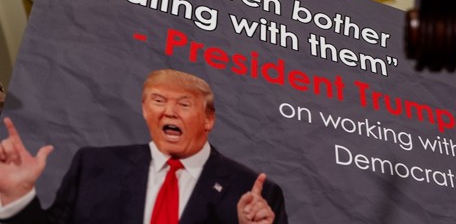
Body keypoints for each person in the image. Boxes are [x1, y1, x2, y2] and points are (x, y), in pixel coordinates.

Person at [0, 68, 288, 224]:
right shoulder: (94, 167)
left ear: (208, 119)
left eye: (184, 104)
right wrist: (18, 198)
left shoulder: (254, 192)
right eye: (158, 101)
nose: (169, 112)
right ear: (144, 109)